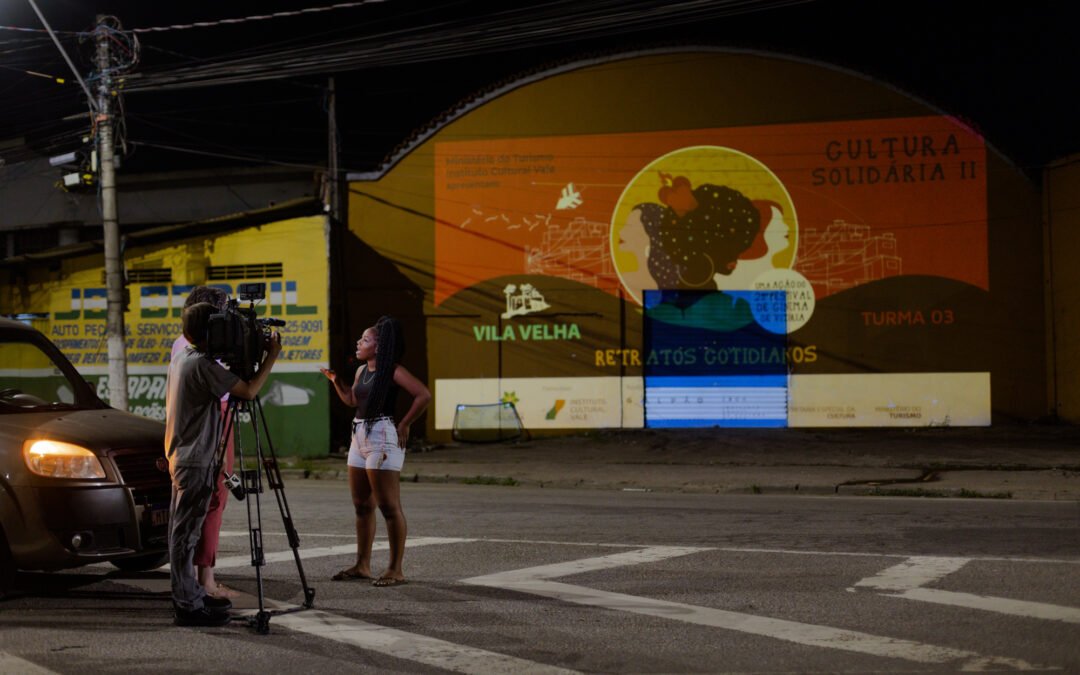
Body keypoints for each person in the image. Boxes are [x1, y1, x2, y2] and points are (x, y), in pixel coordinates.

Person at [165, 302, 281, 626]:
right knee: (186, 535)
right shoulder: (202, 365)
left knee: (182, 533)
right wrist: (271, 356)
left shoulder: (182, 358)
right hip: (197, 459)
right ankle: (187, 605)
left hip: (183, 456)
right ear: (211, 331)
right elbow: (249, 390)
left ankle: (191, 596)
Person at [321, 315, 431, 587]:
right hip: (359, 435)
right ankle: (362, 565)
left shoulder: (392, 370)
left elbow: (423, 395)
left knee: (388, 507)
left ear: (379, 347)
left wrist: (405, 423)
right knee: (361, 505)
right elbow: (352, 401)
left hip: (383, 437)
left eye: (365, 340)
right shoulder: (361, 372)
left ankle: (395, 569)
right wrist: (336, 381)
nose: (359, 343)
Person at [170, 286, 238, 600]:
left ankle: (197, 580)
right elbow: (242, 390)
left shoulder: (181, 348)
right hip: (212, 425)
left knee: (199, 507)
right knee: (214, 500)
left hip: (189, 434)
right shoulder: (203, 353)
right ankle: (203, 581)